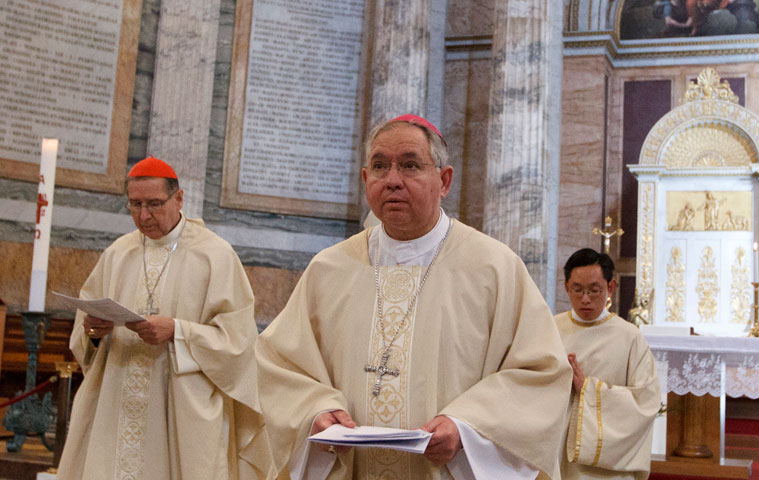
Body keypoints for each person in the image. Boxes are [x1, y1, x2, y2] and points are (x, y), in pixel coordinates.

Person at [256, 114, 572, 479]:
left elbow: (540, 374)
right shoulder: (329, 269)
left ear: (444, 180)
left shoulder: (493, 268)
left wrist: (466, 428)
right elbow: (279, 364)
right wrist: (316, 412)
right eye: (379, 166)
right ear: (365, 180)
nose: (392, 181)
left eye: (410, 165)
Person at [57, 156, 271, 480]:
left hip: (182, 411)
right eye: (135, 205)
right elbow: (84, 332)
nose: (144, 215)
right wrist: (93, 331)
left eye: (155, 204)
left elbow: (238, 343)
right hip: (116, 403)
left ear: (179, 198)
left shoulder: (215, 256)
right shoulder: (118, 253)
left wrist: (177, 331)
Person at [555, 248, 660, 480]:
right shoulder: (550, 329)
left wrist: (588, 390)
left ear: (611, 287)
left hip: (606, 470)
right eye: (577, 289)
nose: (585, 299)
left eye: (594, 290)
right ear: (566, 287)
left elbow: (647, 402)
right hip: (556, 457)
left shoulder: (630, 337)